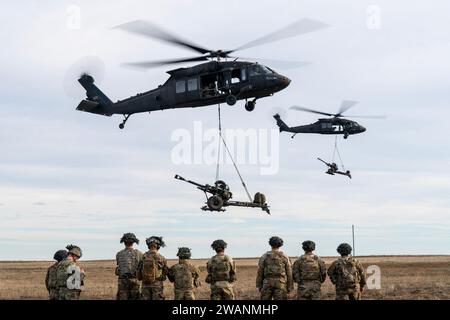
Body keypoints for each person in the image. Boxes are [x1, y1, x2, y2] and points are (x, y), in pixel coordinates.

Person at [115, 233, 143, 300]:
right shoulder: (139, 254)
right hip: (134, 280)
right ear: (133, 242)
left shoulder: (119, 254)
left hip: (122, 281)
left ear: (124, 242)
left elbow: (119, 265)